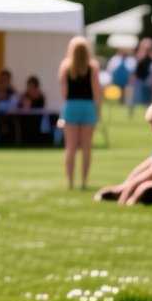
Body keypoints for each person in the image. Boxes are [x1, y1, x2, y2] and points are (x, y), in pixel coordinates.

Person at [59, 37, 102, 191]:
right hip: (88, 106)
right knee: (86, 147)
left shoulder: (65, 67)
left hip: (71, 106)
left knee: (70, 147)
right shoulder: (93, 66)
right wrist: (98, 110)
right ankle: (84, 181)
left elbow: (63, 93)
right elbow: (97, 91)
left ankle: (70, 182)